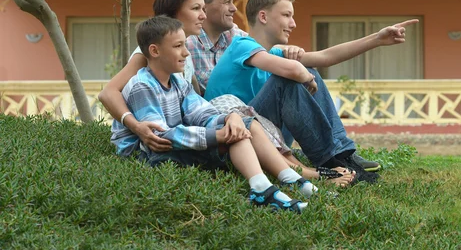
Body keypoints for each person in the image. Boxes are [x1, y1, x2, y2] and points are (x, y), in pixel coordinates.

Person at [99, 0, 355, 187]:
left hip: (202, 121)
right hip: (167, 133)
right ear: (175, 13)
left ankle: (332, 155)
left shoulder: (212, 43)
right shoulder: (154, 51)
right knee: (229, 104)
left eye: (203, 8)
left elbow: (257, 45)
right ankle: (296, 169)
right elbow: (109, 93)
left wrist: (288, 51)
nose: (203, 14)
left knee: (234, 107)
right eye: (196, 9)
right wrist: (136, 126)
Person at [204, 0, 419, 182]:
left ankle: (343, 154)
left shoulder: (274, 53)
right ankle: (330, 161)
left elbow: (325, 56)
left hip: (267, 135)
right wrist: (302, 74)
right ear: (263, 16)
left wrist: (378, 39)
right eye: (287, 15)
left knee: (309, 70)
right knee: (289, 78)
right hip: (235, 140)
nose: (293, 24)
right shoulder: (241, 45)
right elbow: (293, 71)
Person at [111, 16, 316, 212]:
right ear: (154, 51)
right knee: (232, 135)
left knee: (242, 126)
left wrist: (230, 118)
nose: (186, 53)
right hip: (149, 155)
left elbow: (202, 113)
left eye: (185, 45)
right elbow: (159, 137)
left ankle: (286, 180)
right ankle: (266, 190)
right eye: (177, 46)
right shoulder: (141, 85)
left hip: (170, 146)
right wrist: (218, 135)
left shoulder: (179, 83)